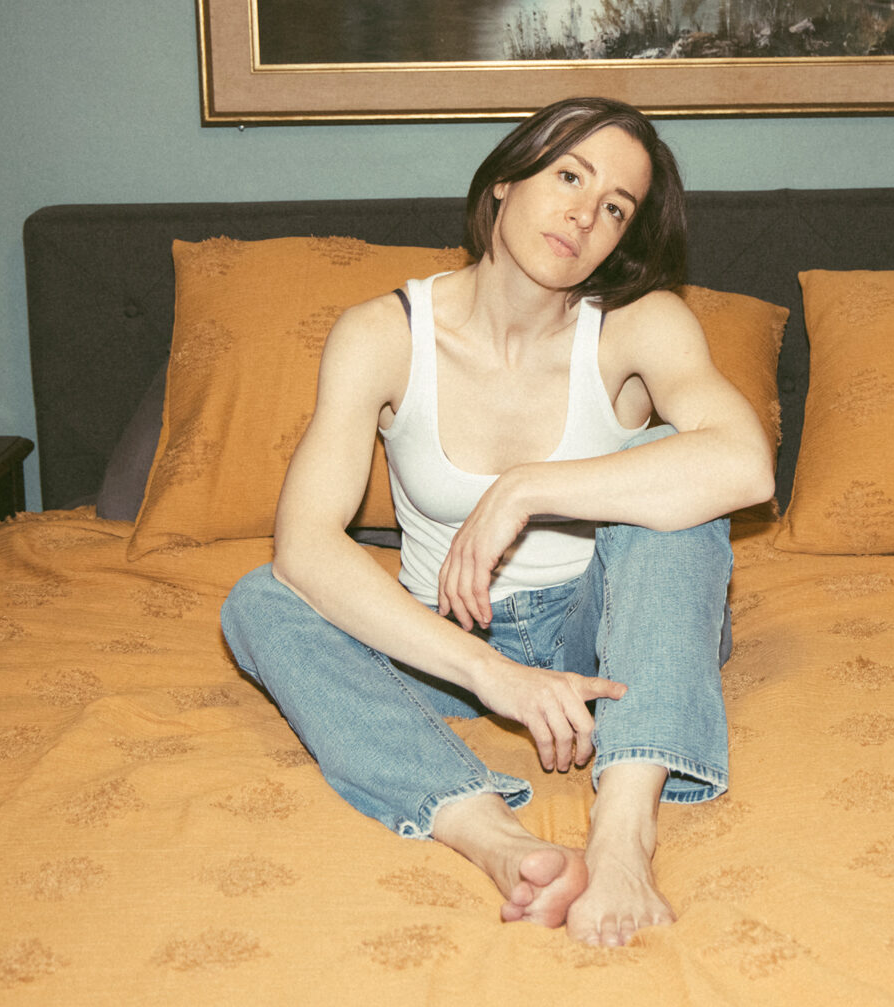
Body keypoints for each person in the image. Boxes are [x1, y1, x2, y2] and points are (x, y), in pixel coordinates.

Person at [221, 97, 774, 948]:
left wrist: (526, 489)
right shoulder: (382, 335)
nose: (585, 214)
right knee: (259, 600)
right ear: (507, 181)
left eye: (616, 207)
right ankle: (492, 835)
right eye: (570, 176)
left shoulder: (638, 325)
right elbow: (304, 545)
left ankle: (623, 832)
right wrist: (492, 675)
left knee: (678, 466)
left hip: (608, 631)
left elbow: (745, 464)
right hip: (446, 644)